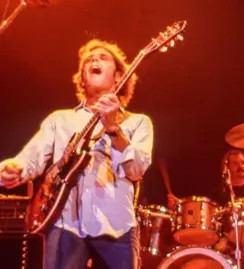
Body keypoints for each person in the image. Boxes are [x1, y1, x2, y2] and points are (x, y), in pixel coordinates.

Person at [0, 39, 153, 269]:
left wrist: (114, 130)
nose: (94, 59)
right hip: (64, 223)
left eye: (103, 57)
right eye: (88, 60)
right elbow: (29, 159)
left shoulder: (138, 122)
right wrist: (12, 168)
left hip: (116, 225)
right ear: (82, 78)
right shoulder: (60, 120)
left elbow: (136, 170)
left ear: (119, 77)